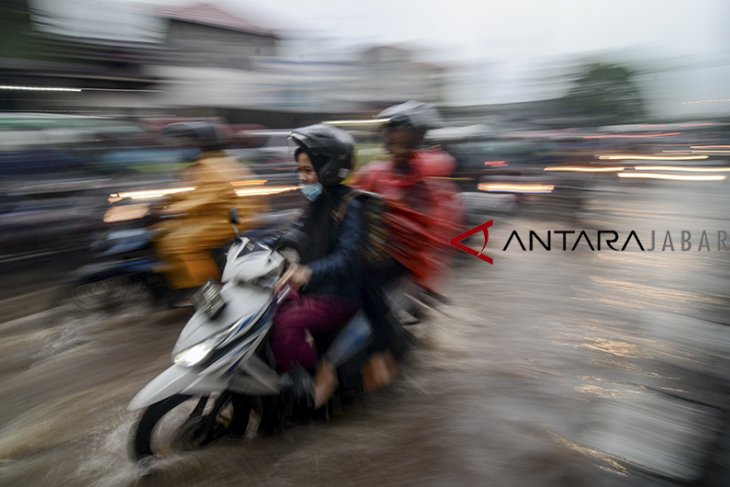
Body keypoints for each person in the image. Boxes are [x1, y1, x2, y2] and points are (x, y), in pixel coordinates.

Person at [351, 100, 464, 390]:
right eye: (393, 135)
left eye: (404, 136)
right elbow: (348, 198)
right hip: (376, 253)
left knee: (367, 291)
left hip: (410, 265)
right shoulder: (376, 173)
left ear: (418, 140)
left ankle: (380, 359)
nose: (396, 142)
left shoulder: (431, 180)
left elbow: (437, 230)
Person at [271, 124, 364, 410]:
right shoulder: (316, 204)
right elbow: (294, 231)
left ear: (328, 170)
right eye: (300, 171)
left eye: (308, 171)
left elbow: (349, 257)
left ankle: (313, 376)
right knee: (266, 308)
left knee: (285, 323)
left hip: (338, 294)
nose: (301, 178)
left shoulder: (350, 206)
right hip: (314, 288)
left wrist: (308, 272)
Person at [153, 122, 265, 302]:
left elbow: (203, 198)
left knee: (178, 243)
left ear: (203, 143)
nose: (182, 147)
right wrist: (162, 202)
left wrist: (170, 209)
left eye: (187, 143)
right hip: (210, 217)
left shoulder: (216, 166)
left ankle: (207, 291)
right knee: (162, 231)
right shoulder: (201, 165)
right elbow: (186, 192)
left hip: (229, 220)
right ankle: (173, 282)